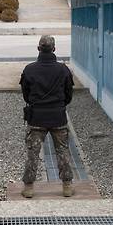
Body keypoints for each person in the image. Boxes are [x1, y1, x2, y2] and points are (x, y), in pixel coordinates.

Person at [19, 35, 75, 198]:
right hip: (58, 117)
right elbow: (68, 95)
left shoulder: (29, 69)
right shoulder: (63, 70)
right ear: (54, 49)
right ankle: (67, 186)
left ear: (38, 49)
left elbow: (26, 95)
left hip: (36, 118)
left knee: (32, 153)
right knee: (63, 151)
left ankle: (29, 188)